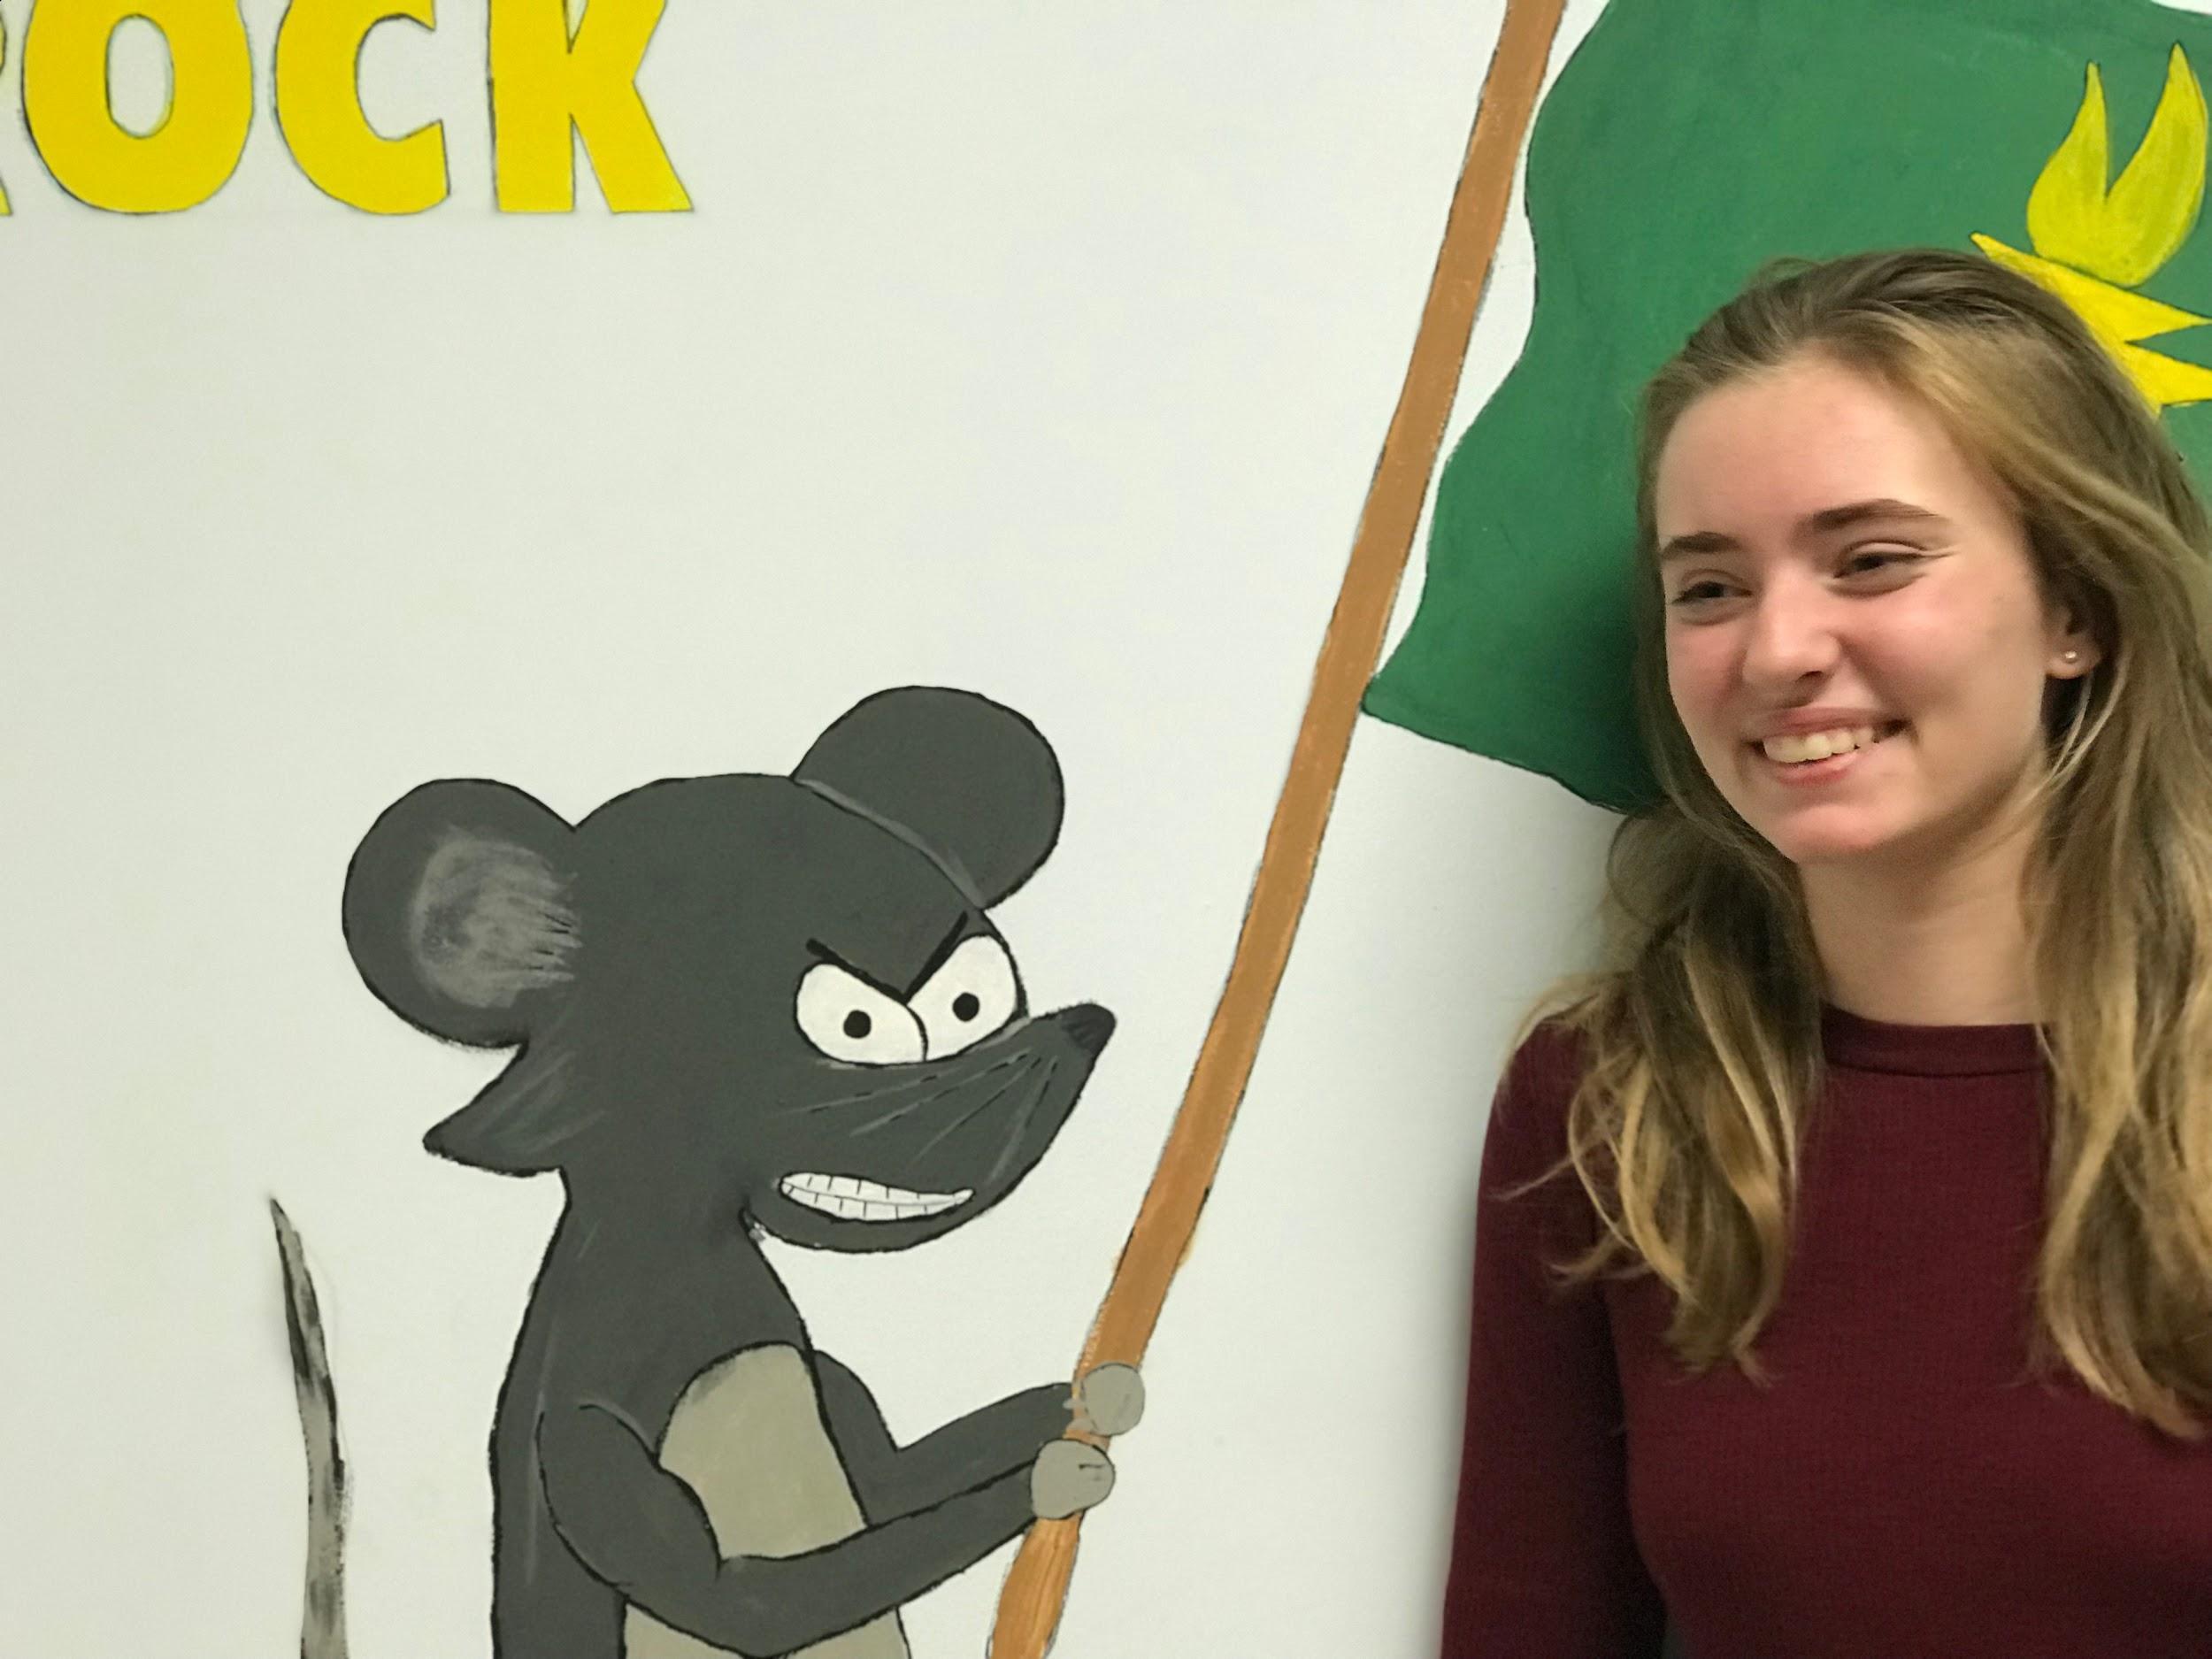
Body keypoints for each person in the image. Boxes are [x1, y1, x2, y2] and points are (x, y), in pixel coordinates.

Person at [1438, 247, 2212, 1658]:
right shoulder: (1615, 1105)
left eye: (1872, 561)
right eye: (1710, 588)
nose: (1778, 650)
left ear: (2079, 607)